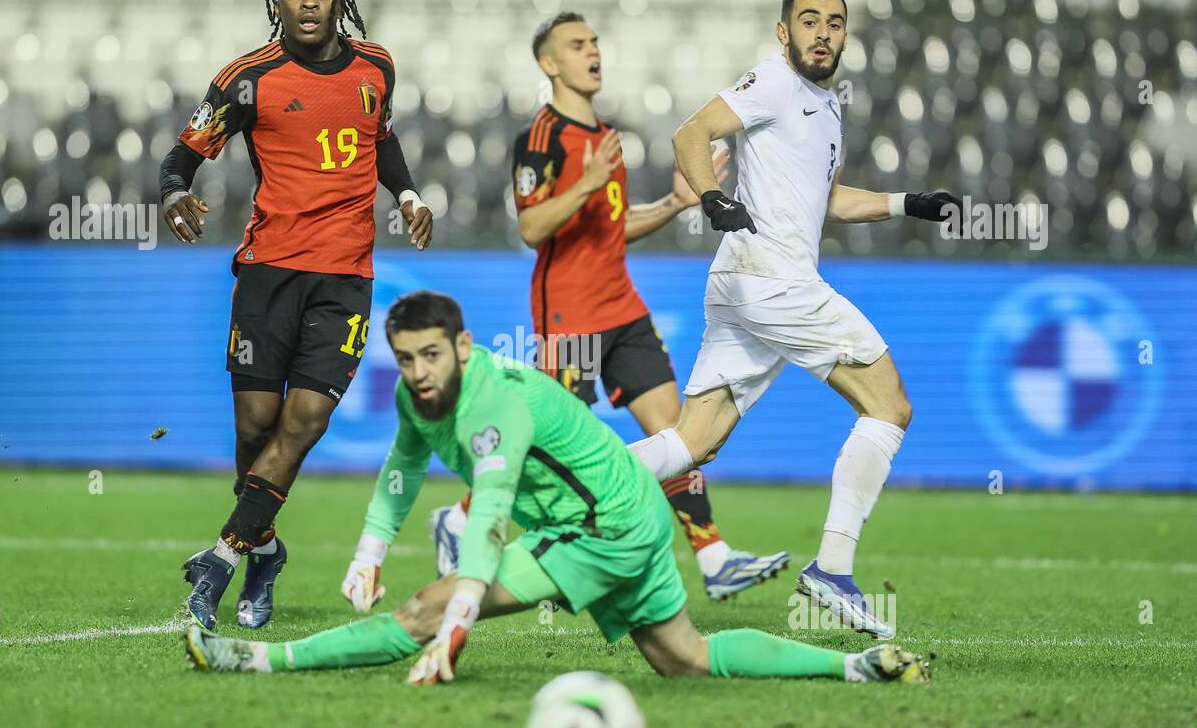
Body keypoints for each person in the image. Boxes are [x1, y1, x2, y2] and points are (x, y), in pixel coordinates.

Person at [184, 291, 930, 688]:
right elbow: (403, 467)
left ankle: (256, 661)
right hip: (621, 519)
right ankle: (855, 668)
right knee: (684, 659)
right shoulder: (421, 398)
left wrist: (458, 624)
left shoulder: (496, 405)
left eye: (433, 356)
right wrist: (371, 547)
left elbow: (491, 521)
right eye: (406, 359)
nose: (419, 373)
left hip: (601, 529)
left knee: (424, 610)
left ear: (464, 348)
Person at [628, 0, 962, 637]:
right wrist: (710, 198)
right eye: (808, 21)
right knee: (889, 407)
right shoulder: (775, 84)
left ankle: (577, 488)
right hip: (773, 278)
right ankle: (833, 569)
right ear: (784, 33)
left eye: (835, 23)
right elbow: (692, 132)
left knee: (695, 441)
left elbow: (832, 201)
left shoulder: (826, 106)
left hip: (744, 284)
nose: (822, 33)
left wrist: (908, 203)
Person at [430, 12, 787, 603]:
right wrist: (586, 184)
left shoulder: (604, 135)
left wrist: (673, 205)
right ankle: (462, 519)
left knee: (678, 433)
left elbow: (612, 229)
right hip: (569, 315)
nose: (592, 51)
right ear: (549, 64)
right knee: (545, 444)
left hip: (623, 309)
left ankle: (715, 556)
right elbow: (531, 227)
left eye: (594, 42)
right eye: (576, 45)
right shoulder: (542, 138)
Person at [159, 0, 433, 630]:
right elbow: (183, 155)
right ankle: (265, 553)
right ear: (277, 3)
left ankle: (223, 556)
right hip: (269, 271)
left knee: (304, 422)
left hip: (344, 277)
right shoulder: (249, 79)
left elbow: (382, 139)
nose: (309, 3)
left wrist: (405, 196)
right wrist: (171, 194)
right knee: (255, 430)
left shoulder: (377, 66)